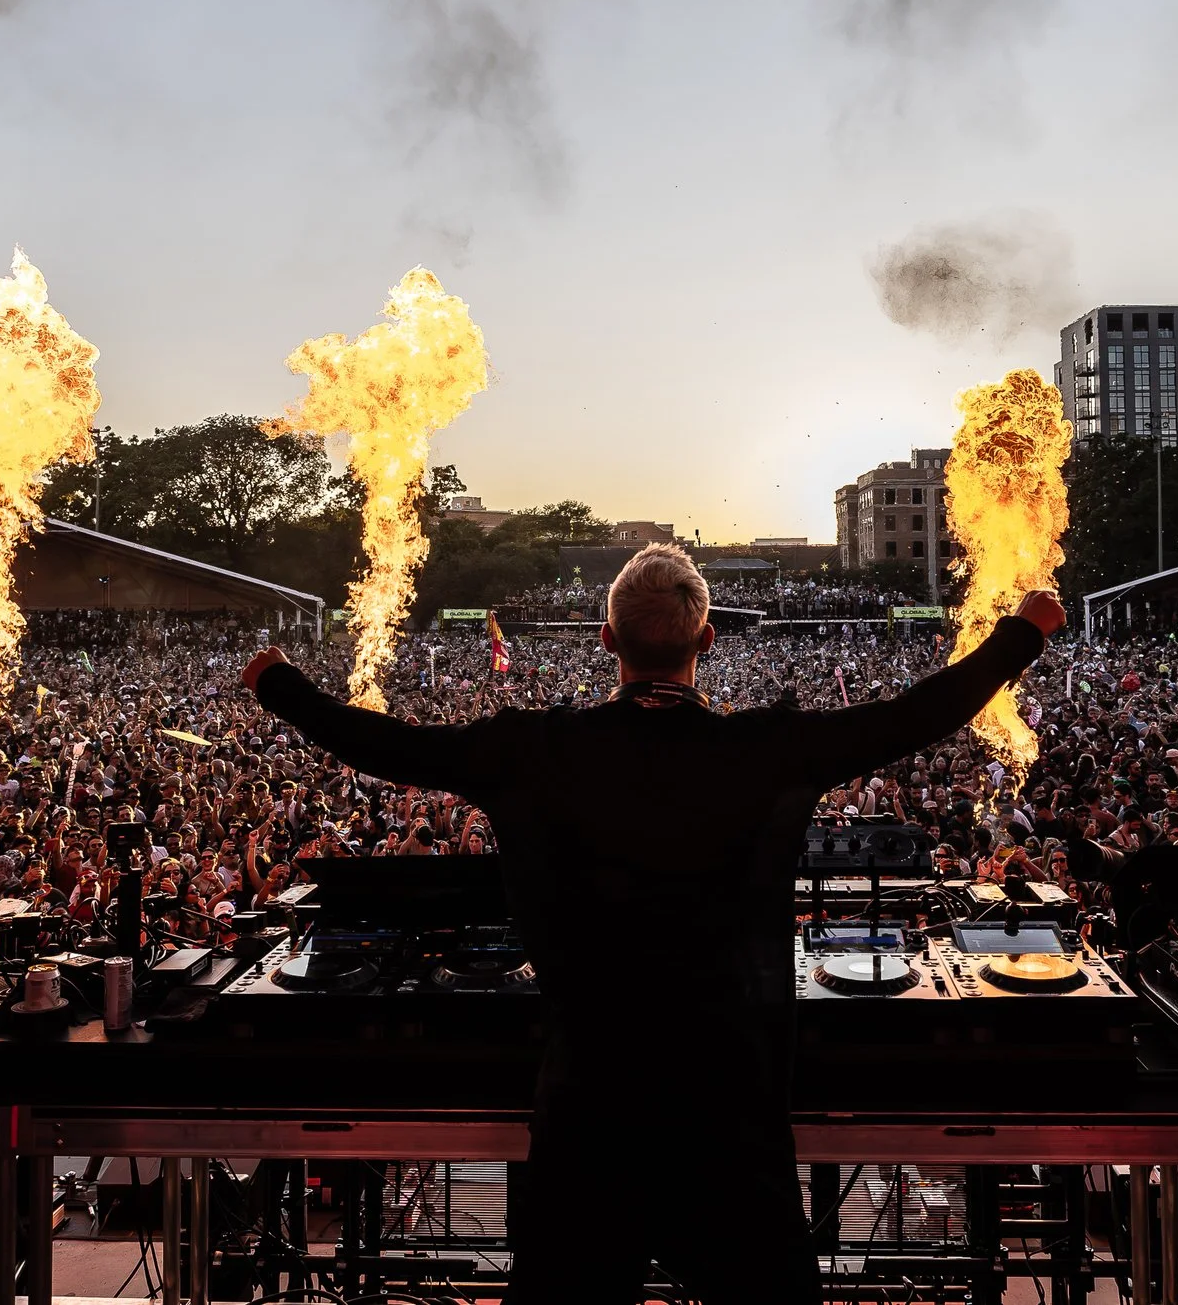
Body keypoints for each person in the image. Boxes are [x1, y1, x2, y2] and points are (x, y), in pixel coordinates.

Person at [242, 543, 1063, 1303]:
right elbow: (917, 714)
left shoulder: (534, 751)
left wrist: (279, 681)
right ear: (707, 636)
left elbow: (387, 745)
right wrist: (1022, 632)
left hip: (589, 1105)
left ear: (607, 639)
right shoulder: (766, 749)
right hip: (731, 1108)